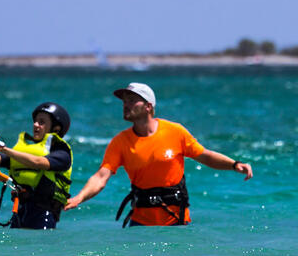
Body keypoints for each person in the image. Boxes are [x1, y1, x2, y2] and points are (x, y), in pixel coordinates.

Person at [64, 82, 252, 226]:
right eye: (124, 101)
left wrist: (234, 165)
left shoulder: (175, 132)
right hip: (140, 224)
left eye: (131, 100)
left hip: (177, 222)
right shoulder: (120, 142)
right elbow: (101, 176)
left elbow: (205, 155)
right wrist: (80, 197)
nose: (125, 105)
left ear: (148, 106)